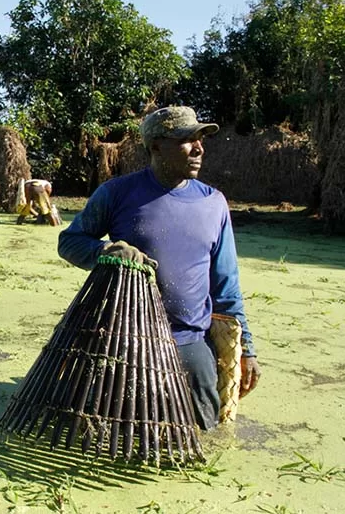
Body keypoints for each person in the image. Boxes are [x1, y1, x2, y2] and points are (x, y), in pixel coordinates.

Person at [57, 106, 261, 430]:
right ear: (156, 146)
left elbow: (226, 286)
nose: (198, 148)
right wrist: (105, 251)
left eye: (200, 139)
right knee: (112, 432)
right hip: (126, 342)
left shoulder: (213, 203)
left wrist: (246, 349)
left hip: (189, 342)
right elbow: (70, 241)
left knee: (203, 432)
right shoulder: (117, 193)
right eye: (186, 139)